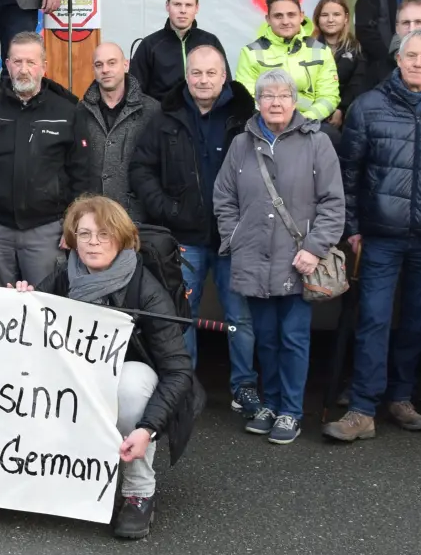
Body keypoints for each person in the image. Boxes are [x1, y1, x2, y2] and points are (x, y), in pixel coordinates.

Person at [17, 196, 196, 540]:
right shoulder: (63, 276)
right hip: (81, 380)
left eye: (103, 234)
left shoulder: (146, 288)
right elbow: (27, 338)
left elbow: (178, 371)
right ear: (71, 238)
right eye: (84, 234)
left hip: (135, 382)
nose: (93, 242)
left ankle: (139, 492)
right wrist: (23, 301)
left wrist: (147, 429)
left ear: (122, 238)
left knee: (130, 386)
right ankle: (65, 474)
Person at [324, 29, 421, 442]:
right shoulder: (368, 107)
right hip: (378, 236)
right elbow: (347, 174)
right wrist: (351, 228)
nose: (418, 63)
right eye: (411, 56)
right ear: (398, 61)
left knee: (418, 322)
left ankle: (401, 397)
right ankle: (362, 409)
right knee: (373, 319)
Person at [213, 69, 345, 444]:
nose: (275, 102)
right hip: (253, 258)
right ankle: (269, 403)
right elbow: (224, 197)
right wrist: (234, 237)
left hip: (297, 260)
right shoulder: (241, 144)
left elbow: (333, 204)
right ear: (257, 102)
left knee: (293, 338)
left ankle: (290, 410)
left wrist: (315, 249)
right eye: (267, 96)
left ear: (294, 100)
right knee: (266, 338)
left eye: (283, 95)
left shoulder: (316, 143)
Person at [129, 45, 256, 397]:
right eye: (196, 73)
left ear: (224, 75)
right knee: (183, 316)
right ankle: (183, 387)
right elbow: (141, 168)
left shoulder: (246, 116)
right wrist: (167, 210)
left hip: (235, 237)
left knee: (240, 319)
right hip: (184, 238)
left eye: (211, 73)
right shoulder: (165, 116)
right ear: (187, 76)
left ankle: (244, 386)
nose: (203, 80)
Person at [0, 31, 83, 288]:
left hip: (47, 231)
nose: (23, 69)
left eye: (31, 62)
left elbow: (82, 172)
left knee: (46, 307)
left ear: (44, 66)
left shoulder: (67, 111)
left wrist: (74, 224)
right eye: (17, 62)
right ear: (6, 65)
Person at [76, 41, 159, 221]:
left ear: (126, 64)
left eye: (112, 62)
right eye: (99, 65)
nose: (105, 70)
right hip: (92, 217)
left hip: (136, 219)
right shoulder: (80, 112)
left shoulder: (151, 110)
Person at [234, 0, 340, 124]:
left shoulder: (321, 51)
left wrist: (304, 120)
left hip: (309, 123)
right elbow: (248, 98)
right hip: (266, 124)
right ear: (268, 19)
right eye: (278, 16)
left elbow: (329, 96)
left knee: (334, 138)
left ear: (301, 16)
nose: (285, 21)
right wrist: (276, 120)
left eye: (291, 15)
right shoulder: (250, 52)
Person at [129, 0, 226, 102]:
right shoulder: (149, 45)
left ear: (197, 8)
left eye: (188, 5)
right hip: (163, 117)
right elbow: (134, 94)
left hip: (205, 117)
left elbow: (226, 86)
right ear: (167, 6)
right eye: (177, 4)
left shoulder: (211, 42)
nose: (183, 10)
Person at [312, 0, 364, 128]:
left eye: (336, 14)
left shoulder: (357, 49)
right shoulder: (306, 47)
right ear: (317, 19)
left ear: (346, 18)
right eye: (324, 15)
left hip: (345, 117)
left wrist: (341, 110)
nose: (330, 20)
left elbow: (356, 84)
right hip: (311, 114)